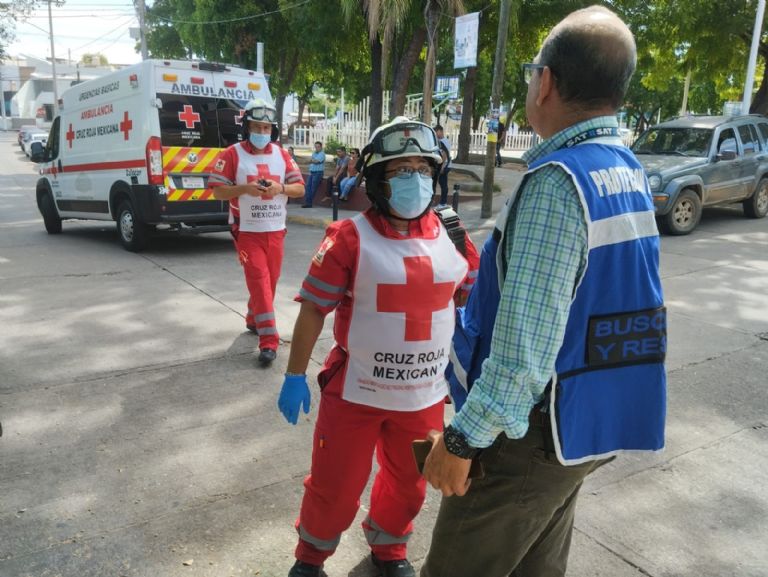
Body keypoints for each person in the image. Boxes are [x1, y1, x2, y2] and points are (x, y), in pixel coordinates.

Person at [421, 6, 667, 577]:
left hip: (528, 435)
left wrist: (462, 442)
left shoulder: (559, 183)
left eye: (533, 72)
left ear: (547, 81)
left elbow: (524, 349)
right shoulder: (624, 169)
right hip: (587, 422)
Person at [277, 116, 480, 577]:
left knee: (409, 485)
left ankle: (389, 549)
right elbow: (313, 308)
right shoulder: (348, 238)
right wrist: (294, 375)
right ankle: (311, 558)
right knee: (335, 485)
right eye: (399, 170)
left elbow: (470, 302)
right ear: (376, 180)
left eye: (422, 169)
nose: (414, 179)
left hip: (424, 396)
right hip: (355, 395)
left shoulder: (454, 235)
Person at [208, 99, 305, 367]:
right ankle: (269, 341)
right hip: (246, 231)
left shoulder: (282, 155)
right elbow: (217, 190)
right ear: (246, 127)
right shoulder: (232, 154)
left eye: (266, 127)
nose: (261, 132)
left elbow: (300, 189)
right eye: (256, 126)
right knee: (260, 282)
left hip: (276, 231)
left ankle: (253, 318)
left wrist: (280, 188)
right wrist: (244, 189)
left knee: (270, 283)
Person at [304, 141, 325, 208]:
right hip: (312, 172)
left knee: (313, 188)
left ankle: (309, 203)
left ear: (321, 147)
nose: (317, 148)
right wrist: (312, 160)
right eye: (315, 147)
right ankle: (307, 202)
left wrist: (311, 160)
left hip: (318, 173)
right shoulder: (314, 153)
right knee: (308, 187)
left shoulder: (322, 154)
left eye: (318, 147)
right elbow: (312, 161)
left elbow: (316, 161)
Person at [434, 125, 451, 205]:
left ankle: (443, 202)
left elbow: (444, 155)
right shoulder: (441, 141)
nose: (435, 134)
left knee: (443, 184)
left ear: (440, 131)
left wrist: (442, 167)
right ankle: (442, 202)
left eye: (436, 132)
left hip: (444, 166)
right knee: (441, 183)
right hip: (443, 166)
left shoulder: (443, 141)